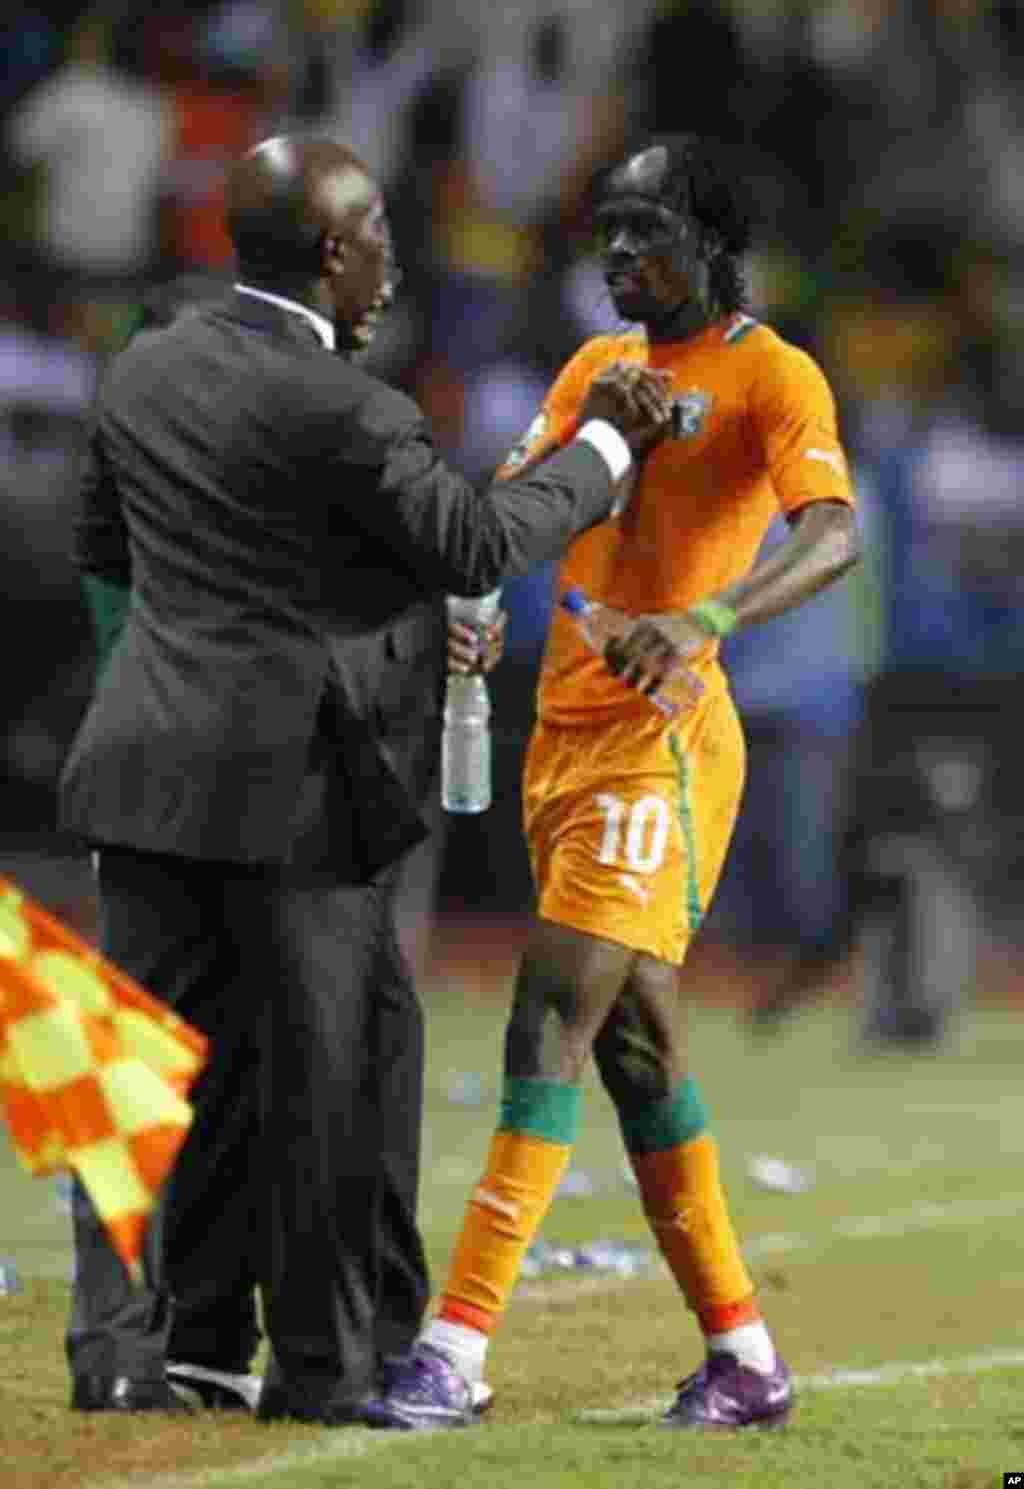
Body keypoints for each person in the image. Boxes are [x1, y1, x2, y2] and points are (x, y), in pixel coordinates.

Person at [57, 132, 675, 1423]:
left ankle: (140, 1350)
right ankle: (331, 1368)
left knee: (122, 1072)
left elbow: (117, 548)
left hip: (141, 770)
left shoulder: (144, 370)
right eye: (382, 233)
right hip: (295, 788)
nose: (396, 259)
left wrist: (160, 684)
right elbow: (477, 538)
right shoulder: (348, 404)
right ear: (334, 253)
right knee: (337, 1074)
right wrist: (608, 447)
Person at [369, 133, 860, 1433]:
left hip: (662, 740)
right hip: (562, 730)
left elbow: (837, 529)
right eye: (608, 236)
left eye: (646, 234)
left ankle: (454, 1349)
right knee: (638, 1055)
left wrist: (711, 620)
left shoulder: (772, 374)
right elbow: (516, 505)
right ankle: (746, 1358)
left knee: (547, 1020)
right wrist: (477, 597)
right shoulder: (595, 367)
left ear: (713, 245)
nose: (619, 259)